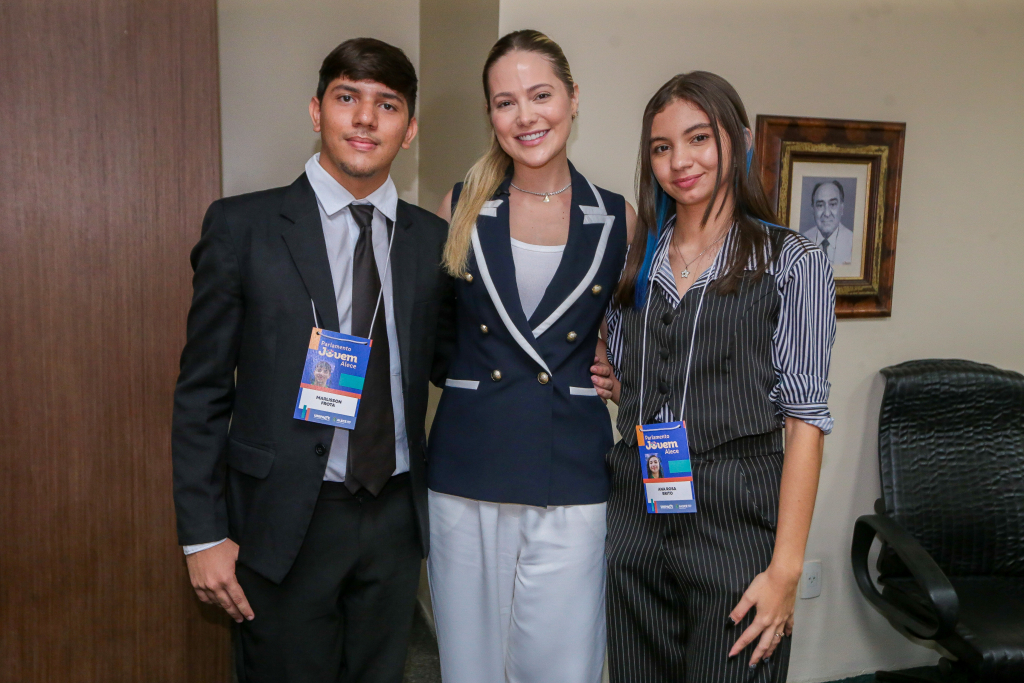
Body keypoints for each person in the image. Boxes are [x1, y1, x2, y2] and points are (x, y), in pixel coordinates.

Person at [171, 38, 455, 683]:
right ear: (316, 110)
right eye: (347, 97)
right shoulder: (242, 228)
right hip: (281, 520)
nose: (365, 118)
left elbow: (453, 360)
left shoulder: (431, 241)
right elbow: (202, 392)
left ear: (409, 130)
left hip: (394, 518)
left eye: (387, 105)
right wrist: (203, 535)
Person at [594, 71, 835, 683]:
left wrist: (785, 571)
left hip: (738, 519)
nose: (680, 161)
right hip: (637, 509)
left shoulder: (793, 261)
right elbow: (623, 371)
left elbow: (805, 421)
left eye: (698, 138)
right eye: (662, 146)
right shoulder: (635, 261)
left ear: (740, 140)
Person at [426, 29, 634, 683]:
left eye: (540, 95)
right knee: (471, 663)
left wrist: (619, 366)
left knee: (563, 664)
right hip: (469, 463)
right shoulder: (458, 206)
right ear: (491, 115)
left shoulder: (619, 217)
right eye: (505, 102)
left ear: (572, 98)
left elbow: (639, 331)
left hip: (572, 467)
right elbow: (435, 335)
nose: (526, 116)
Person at [801, 180, 853, 264]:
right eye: (820, 205)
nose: (827, 213)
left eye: (832, 204)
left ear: (841, 208)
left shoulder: (854, 243)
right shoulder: (800, 242)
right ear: (813, 209)